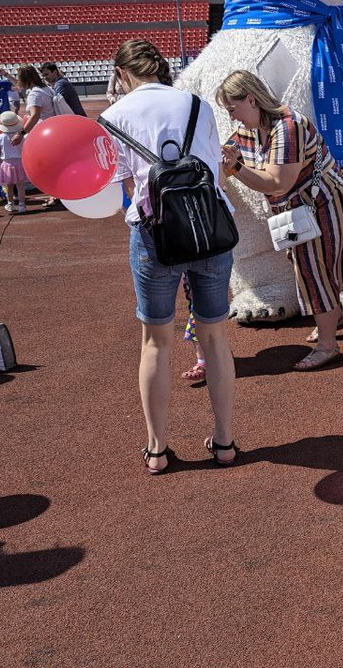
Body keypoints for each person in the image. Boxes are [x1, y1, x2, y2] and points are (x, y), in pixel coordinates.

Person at [106, 39, 237, 474]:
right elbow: (215, 170)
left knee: (156, 342)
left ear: (123, 74)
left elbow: (127, 187)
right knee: (215, 338)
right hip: (210, 231)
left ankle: (157, 449)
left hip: (154, 236)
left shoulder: (112, 117)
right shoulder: (196, 104)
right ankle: (224, 442)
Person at [217, 69, 343, 372]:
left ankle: (328, 345)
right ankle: (334, 319)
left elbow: (278, 183)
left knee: (315, 269)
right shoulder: (252, 131)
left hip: (323, 203)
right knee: (309, 268)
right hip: (302, 209)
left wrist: (236, 168)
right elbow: (230, 156)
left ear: (251, 100)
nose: (232, 116)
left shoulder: (288, 127)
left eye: (232, 108)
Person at [0, 111, 28, 214]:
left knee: (9, 186)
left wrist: (1, 155)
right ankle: (22, 205)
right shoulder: (21, 137)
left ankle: (10, 203)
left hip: (7, 164)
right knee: (20, 186)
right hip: (20, 163)